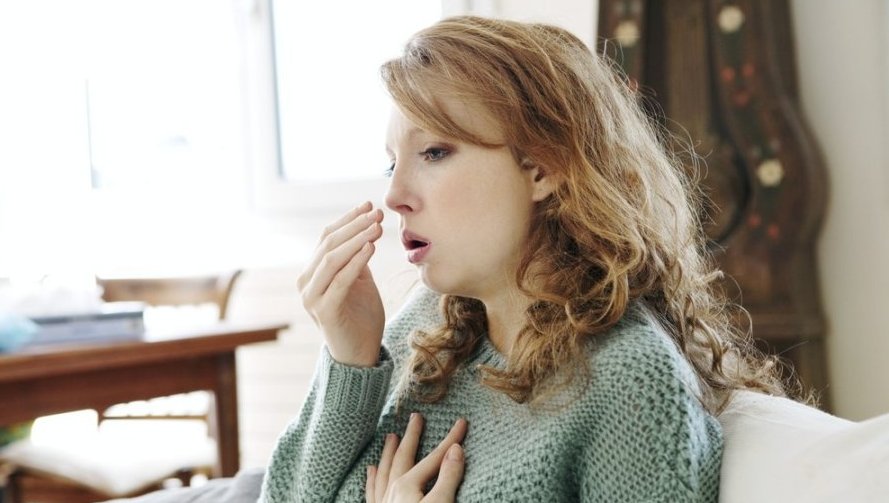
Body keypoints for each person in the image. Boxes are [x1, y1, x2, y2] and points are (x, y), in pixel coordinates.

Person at [259, 15, 789, 503]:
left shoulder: (631, 383)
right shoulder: (425, 331)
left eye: (434, 152)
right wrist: (350, 360)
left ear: (542, 167)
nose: (394, 195)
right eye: (391, 163)